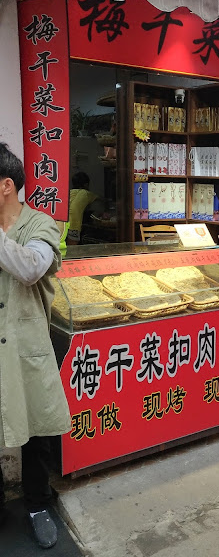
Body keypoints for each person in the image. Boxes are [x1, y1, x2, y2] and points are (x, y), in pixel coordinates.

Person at [0, 143, 71, 548]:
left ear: (6, 185)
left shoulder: (42, 224)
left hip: (27, 344)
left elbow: (30, 267)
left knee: (36, 431)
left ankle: (38, 505)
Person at [67, 171, 98, 245]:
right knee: (72, 248)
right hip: (74, 225)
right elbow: (101, 200)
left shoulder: (69, 192)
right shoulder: (86, 193)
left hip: (63, 224)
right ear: (86, 184)